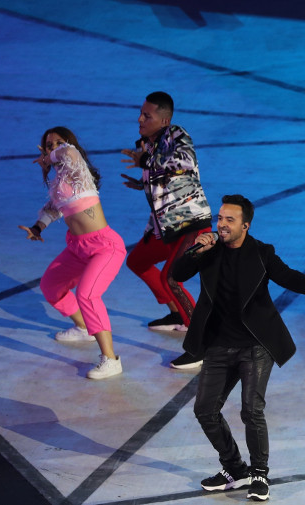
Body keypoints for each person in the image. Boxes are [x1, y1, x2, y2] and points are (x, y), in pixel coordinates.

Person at [173, 194, 305, 502]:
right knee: (204, 409)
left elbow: (284, 275)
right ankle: (234, 469)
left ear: (246, 224)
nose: (222, 225)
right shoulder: (210, 251)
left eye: (230, 220)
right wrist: (195, 251)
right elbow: (177, 275)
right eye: (220, 219)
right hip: (218, 345)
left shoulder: (260, 252)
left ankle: (259, 474)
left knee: (251, 410)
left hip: (256, 344)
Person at [19, 127, 127, 379]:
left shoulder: (77, 166)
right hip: (78, 247)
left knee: (88, 295)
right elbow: (53, 208)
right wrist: (37, 228)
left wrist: (52, 153)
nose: (55, 146)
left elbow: (67, 152)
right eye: (48, 144)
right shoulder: (59, 183)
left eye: (58, 142)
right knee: (50, 286)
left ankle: (111, 359)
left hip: (104, 246)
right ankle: (83, 327)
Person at [120, 91, 212, 370]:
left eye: (147, 115)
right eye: (141, 113)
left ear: (164, 119)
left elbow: (182, 163)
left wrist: (146, 164)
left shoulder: (176, 134)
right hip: (166, 226)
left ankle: (200, 344)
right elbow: (162, 179)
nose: (140, 119)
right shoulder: (148, 144)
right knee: (137, 260)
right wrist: (142, 182)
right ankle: (175, 314)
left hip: (192, 223)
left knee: (171, 278)